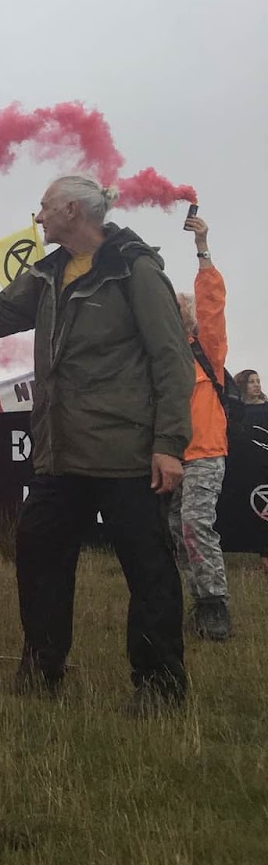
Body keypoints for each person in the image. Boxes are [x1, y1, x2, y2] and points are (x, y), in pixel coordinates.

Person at [0, 175, 192, 715]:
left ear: (72, 211)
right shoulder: (46, 276)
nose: (39, 214)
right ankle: (42, 670)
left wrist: (169, 442)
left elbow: (171, 358)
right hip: (58, 455)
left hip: (126, 454)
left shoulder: (135, 269)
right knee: (38, 556)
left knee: (148, 570)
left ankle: (160, 687)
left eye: (46, 206)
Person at [169, 213, 233, 640]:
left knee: (194, 524)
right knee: (176, 530)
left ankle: (215, 607)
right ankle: (199, 603)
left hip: (206, 453)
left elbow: (212, 304)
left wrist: (202, 247)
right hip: (168, 457)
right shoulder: (153, 362)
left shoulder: (205, 348)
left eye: (177, 315)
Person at [231, 370, 268, 574]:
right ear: (242, 385)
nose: (256, 385)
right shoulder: (236, 411)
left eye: (258, 381)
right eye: (251, 382)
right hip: (245, 469)